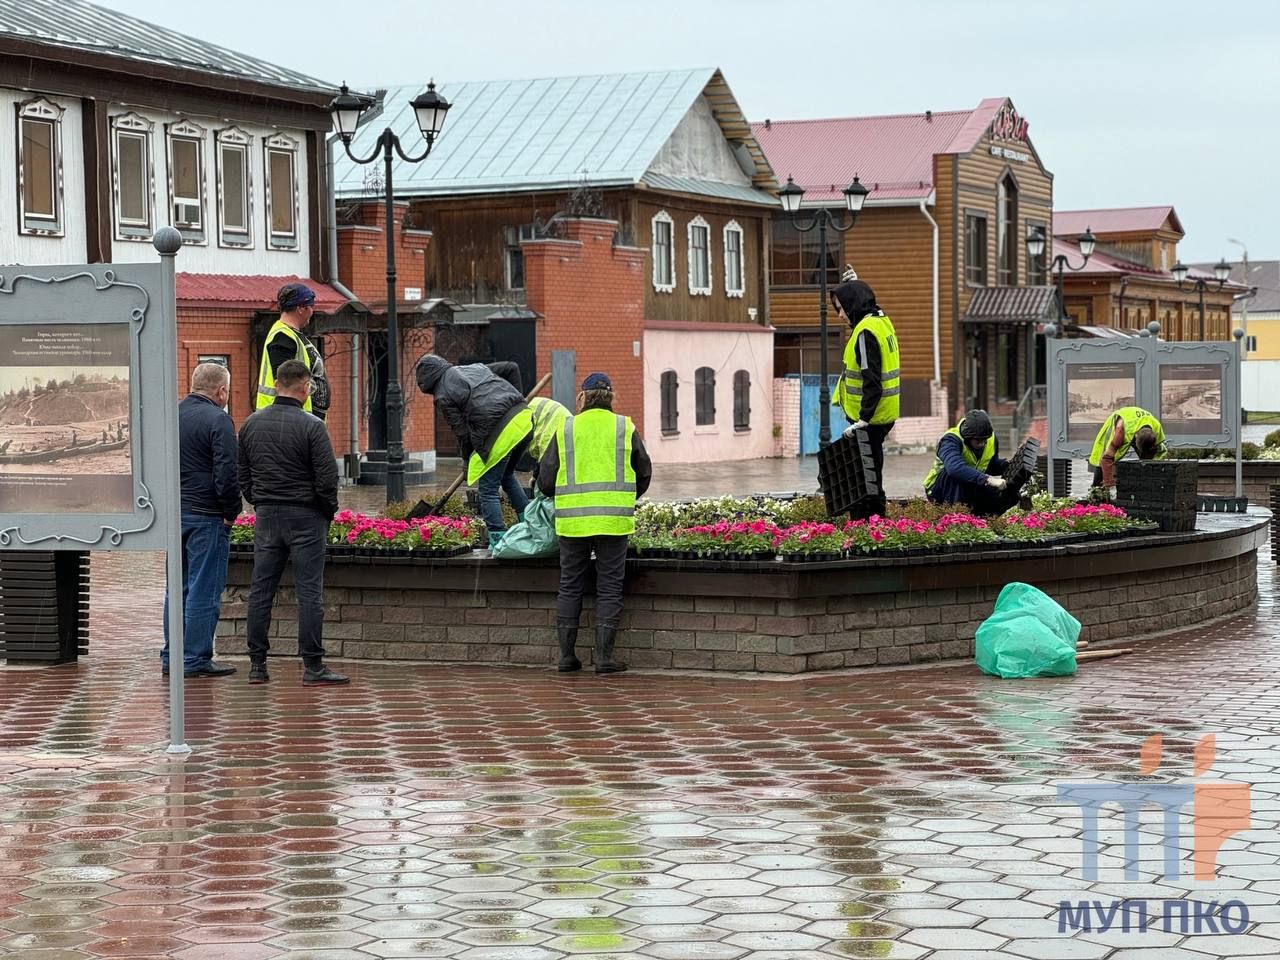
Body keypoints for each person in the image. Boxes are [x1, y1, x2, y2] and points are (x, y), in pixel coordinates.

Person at [238, 360, 347, 686]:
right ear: (304, 387)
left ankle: (258, 665)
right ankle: (313, 666)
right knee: (309, 591)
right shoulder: (313, 426)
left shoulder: (250, 425)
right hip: (306, 516)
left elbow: (243, 476)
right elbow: (327, 480)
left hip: (268, 515)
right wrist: (325, 513)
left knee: (260, 590)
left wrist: (259, 501)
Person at [538, 372, 652, 675]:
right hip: (614, 521)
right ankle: (603, 658)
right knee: (610, 587)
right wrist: (623, 496)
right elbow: (643, 472)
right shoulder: (624, 427)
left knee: (570, 585)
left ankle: (566, 657)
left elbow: (546, 480)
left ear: (582, 397)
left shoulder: (566, 428)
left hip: (573, 522)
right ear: (611, 397)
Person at [160, 362, 241, 679]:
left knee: (175, 589)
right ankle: (194, 659)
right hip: (207, 516)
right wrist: (230, 511)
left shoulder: (171, 417)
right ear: (221, 391)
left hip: (173, 515)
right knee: (203, 589)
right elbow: (226, 473)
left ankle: (172, 656)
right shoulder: (218, 420)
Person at [415, 355, 533, 543]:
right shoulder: (475, 368)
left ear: (428, 384)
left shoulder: (442, 395)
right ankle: (533, 527)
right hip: (524, 418)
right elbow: (511, 367)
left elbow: (462, 434)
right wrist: (516, 399)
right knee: (506, 476)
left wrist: (466, 461)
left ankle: (498, 541)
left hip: (498, 432)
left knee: (488, 489)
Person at [830, 276, 899, 517]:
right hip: (882, 415)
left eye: (842, 309)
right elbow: (870, 302)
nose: (840, 316)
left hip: (870, 418)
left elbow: (871, 379)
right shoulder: (880, 321)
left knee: (865, 478)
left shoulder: (864, 333)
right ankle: (873, 522)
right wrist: (857, 284)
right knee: (870, 471)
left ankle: (867, 524)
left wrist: (863, 419)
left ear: (853, 305)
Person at [923, 410, 1019, 516]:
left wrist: (1009, 465)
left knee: (1006, 495)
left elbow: (989, 465)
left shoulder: (991, 439)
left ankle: (984, 521)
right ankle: (955, 520)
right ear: (967, 438)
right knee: (955, 476)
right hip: (939, 489)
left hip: (969, 484)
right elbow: (954, 468)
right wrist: (988, 479)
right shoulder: (950, 440)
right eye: (978, 441)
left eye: (984, 440)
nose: (982, 444)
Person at [257, 282, 330, 421]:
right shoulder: (283, 337)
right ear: (300, 308)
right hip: (288, 420)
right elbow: (286, 383)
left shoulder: (292, 335)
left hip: (299, 418)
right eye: (311, 306)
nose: (312, 311)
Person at [1089, 406, 1165, 491]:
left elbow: (1157, 454)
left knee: (1147, 459)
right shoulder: (1120, 430)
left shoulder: (1157, 428)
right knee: (1102, 461)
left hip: (1139, 427)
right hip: (1124, 423)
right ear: (1136, 436)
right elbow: (1106, 458)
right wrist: (1110, 485)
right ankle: (1096, 490)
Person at [527, 395, 570, 483]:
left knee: (545, 485)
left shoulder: (546, 436)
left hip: (554, 436)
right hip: (566, 432)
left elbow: (544, 455)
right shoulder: (532, 405)